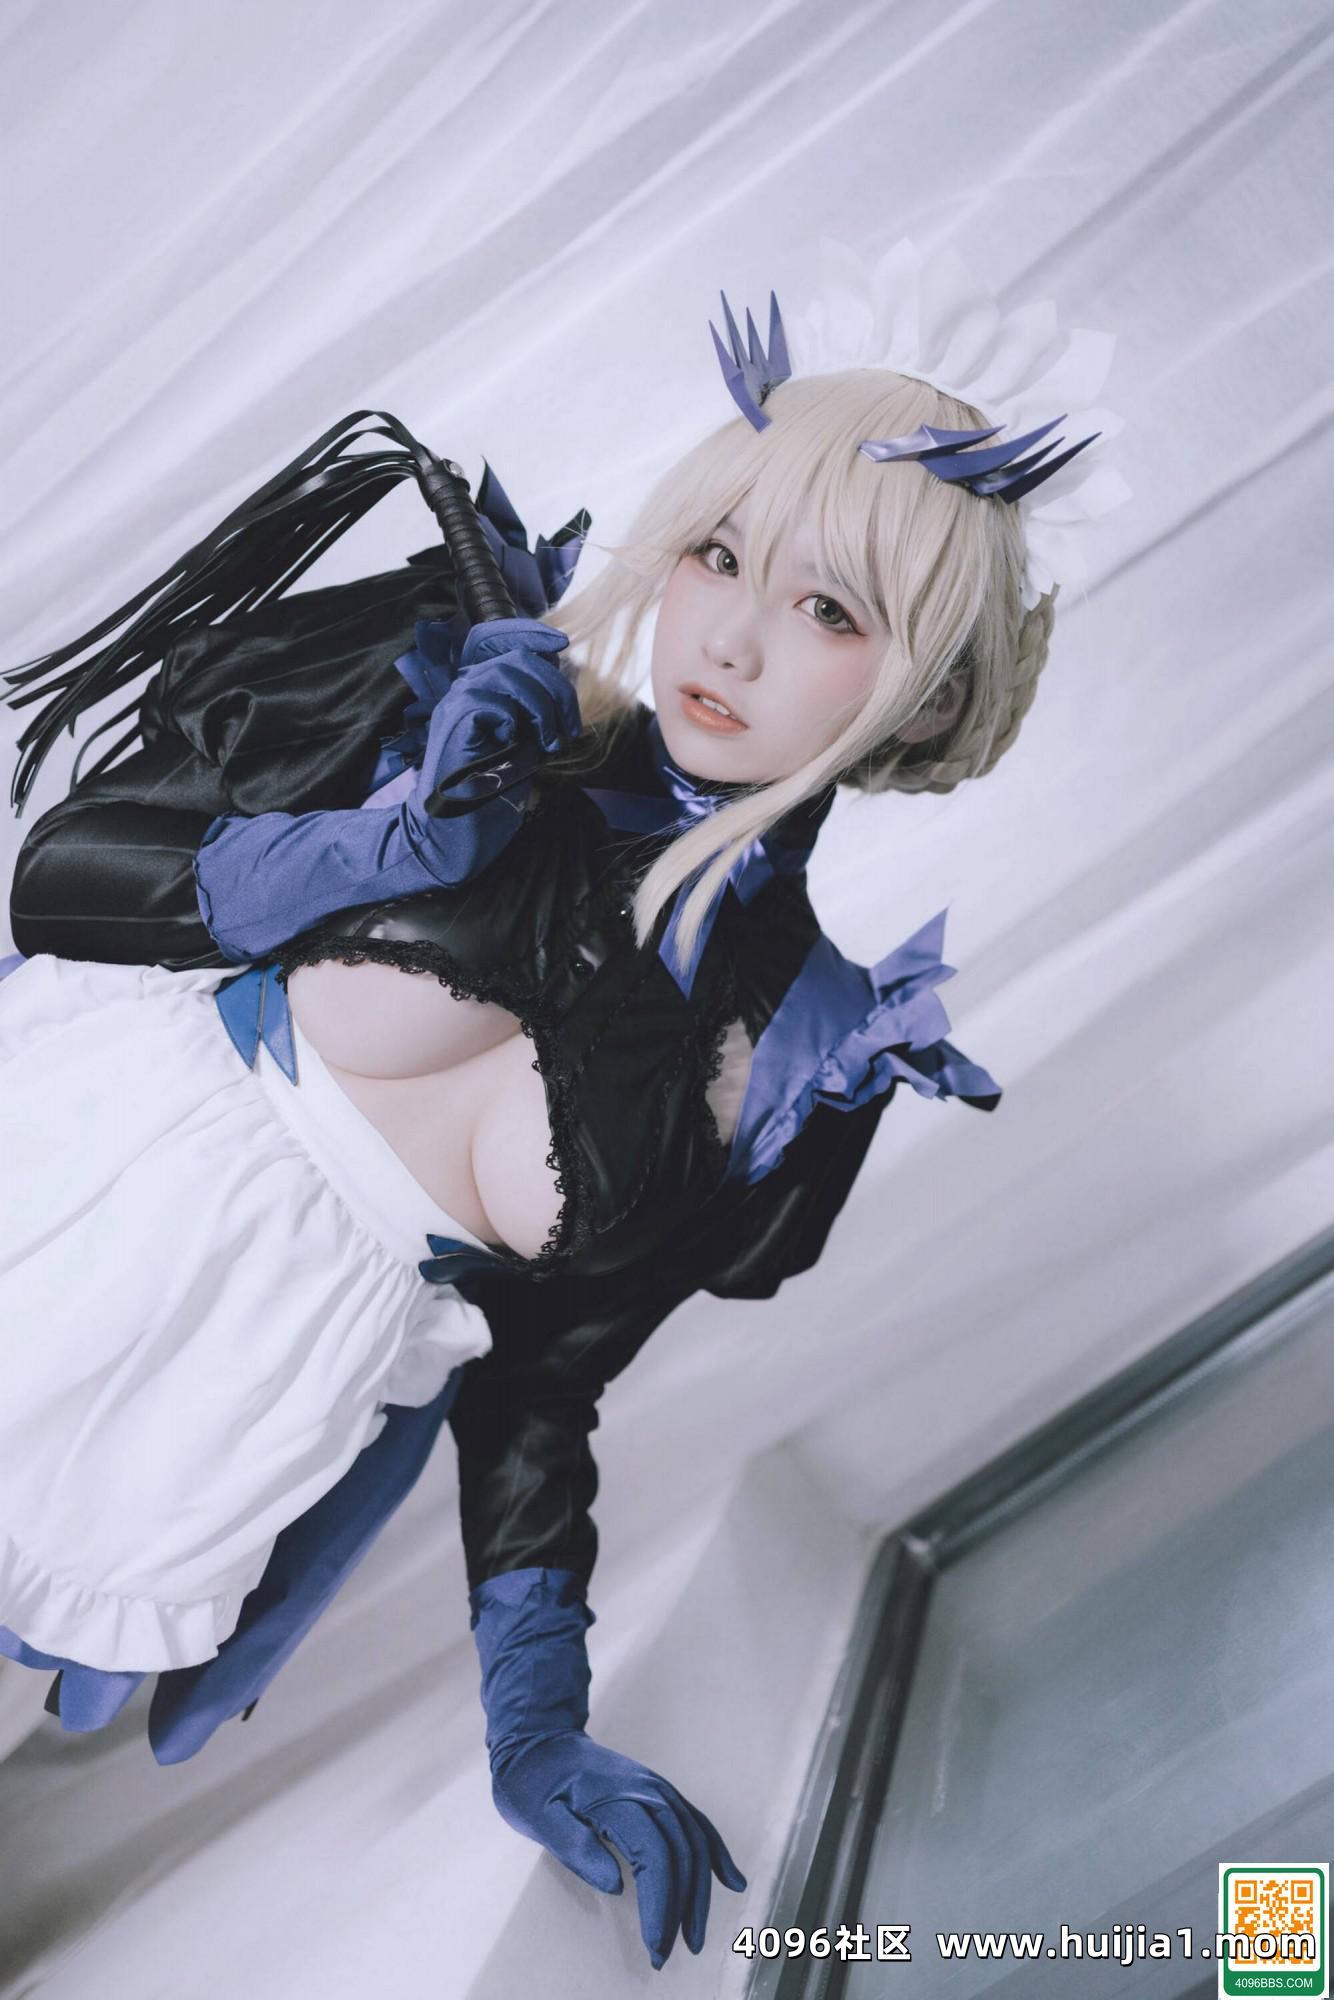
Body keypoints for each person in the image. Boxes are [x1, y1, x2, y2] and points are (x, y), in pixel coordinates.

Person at [0, 240, 1119, 1972]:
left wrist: (538, 1722)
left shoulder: (801, 1052)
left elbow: (539, 1378)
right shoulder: (463, 700)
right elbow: (65, 884)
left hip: (193, 1442)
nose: (730, 634)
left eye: (830, 611)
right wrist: (394, 839)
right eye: (720, 553)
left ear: (934, 692)